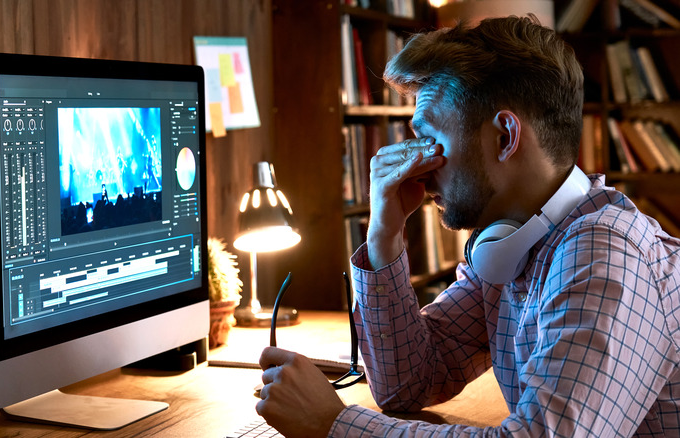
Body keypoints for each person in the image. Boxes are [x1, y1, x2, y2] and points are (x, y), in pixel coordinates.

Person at [256, 14, 680, 437]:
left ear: (504, 137)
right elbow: (408, 383)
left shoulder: (603, 253)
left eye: (431, 140)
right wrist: (384, 234)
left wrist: (331, 425)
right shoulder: (508, 245)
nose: (419, 169)